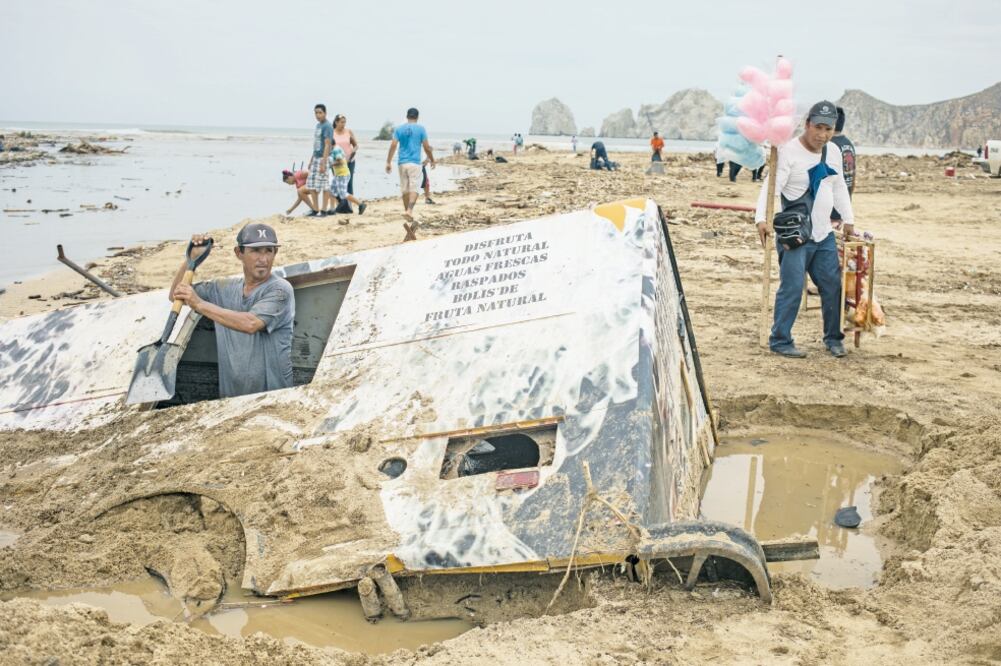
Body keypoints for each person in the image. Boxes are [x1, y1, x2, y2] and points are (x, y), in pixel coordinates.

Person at [755, 101, 854, 359]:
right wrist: (761, 219)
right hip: (795, 233)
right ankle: (780, 339)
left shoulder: (832, 151)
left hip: (823, 234)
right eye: (818, 127)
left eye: (828, 129)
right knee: (792, 285)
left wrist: (848, 218)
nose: (823, 134)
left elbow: (839, 186)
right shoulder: (787, 151)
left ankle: (833, 338)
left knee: (832, 285)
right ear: (807, 124)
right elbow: (771, 187)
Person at [170, 224, 295, 398]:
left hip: (273, 398)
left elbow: (250, 323)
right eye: (256, 251)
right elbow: (176, 294)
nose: (264, 259)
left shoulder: (280, 290)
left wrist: (199, 304)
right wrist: (191, 260)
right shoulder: (223, 289)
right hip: (231, 401)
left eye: (269, 251)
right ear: (239, 253)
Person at [385, 107, 436, 239]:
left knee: (405, 189)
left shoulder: (399, 129)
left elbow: (393, 145)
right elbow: (426, 147)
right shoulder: (421, 129)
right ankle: (409, 210)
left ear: (407, 116)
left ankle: (407, 212)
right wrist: (432, 159)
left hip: (402, 163)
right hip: (414, 163)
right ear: (417, 117)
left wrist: (388, 161)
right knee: (415, 188)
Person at [830, 106, 857, 230]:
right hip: (845, 201)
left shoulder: (830, 145)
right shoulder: (848, 143)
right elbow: (853, 175)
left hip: (833, 204)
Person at [325, 144, 367, 216]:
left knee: (343, 194)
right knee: (331, 191)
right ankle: (332, 209)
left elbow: (340, 161)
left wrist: (330, 165)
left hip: (342, 175)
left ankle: (361, 204)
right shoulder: (333, 150)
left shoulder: (336, 150)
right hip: (338, 175)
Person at [306, 104, 333, 216]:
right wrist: (311, 159)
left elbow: (327, 145)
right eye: (316, 113)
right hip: (316, 157)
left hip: (324, 158)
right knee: (311, 184)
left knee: (324, 185)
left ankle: (324, 210)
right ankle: (315, 209)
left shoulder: (327, 126)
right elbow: (316, 144)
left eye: (320, 112)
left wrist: (323, 162)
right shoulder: (318, 126)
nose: (318, 115)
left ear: (325, 113)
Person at [332, 114, 359, 195]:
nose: (343, 124)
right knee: (337, 183)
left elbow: (356, 146)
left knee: (349, 183)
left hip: (350, 162)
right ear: (336, 122)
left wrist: (351, 156)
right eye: (341, 122)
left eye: (344, 122)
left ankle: (350, 205)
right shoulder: (331, 133)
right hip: (337, 163)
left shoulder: (348, 132)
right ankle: (340, 205)